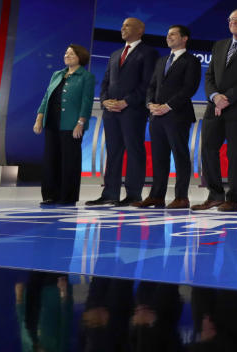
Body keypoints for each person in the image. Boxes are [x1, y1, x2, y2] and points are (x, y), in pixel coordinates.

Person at [192, 9, 237, 212]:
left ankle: (233, 199)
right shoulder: (219, 45)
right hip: (214, 108)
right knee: (208, 149)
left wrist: (228, 98)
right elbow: (209, 76)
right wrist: (215, 97)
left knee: (235, 155)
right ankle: (215, 195)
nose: (234, 22)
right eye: (231, 19)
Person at [86, 18, 157, 207]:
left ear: (140, 30)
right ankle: (110, 193)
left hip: (133, 111)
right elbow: (106, 82)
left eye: (127, 25)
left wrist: (126, 102)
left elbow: (148, 84)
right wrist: (104, 101)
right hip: (111, 112)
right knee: (113, 151)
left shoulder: (149, 53)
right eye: (122, 25)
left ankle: (134, 194)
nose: (122, 28)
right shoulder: (115, 54)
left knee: (134, 151)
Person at [135, 25, 201, 209]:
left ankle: (181, 197)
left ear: (184, 38)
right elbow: (151, 86)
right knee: (158, 157)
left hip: (178, 116)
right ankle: (156, 195)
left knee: (180, 156)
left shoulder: (191, 61)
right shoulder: (162, 60)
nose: (168, 37)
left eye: (173, 34)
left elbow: (189, 88)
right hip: (157, 117)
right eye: (167, 34)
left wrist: (168, 106)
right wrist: (150, 104)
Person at [34, 44, 94, 206]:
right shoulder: (57, 74)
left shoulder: (86, 77)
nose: (67, 55)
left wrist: (80, 123)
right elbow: (47, 98)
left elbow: (86, 103)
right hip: (52, 122)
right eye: (66, 53)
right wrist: (39, 118)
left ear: (80, 57)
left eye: (71, 54)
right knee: (50, 160)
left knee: (70, 161)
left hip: (71, 125)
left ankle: (67, 196)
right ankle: (49, 195)